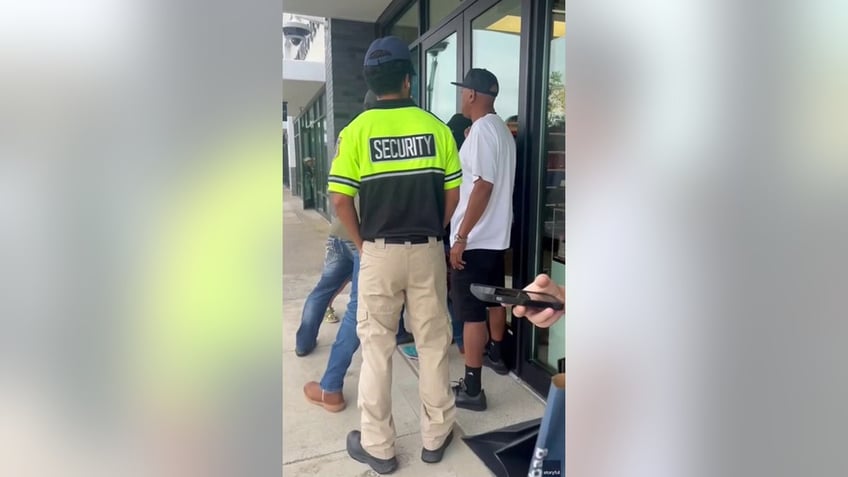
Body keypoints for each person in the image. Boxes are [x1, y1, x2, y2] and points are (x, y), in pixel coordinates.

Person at [328, 35, 462, 474]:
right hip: (427, 250)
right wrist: (434, 231)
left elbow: (341, 200)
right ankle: (435, 435)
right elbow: (454, 193)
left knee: (377, 349)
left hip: (379, 253)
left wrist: (364, 244)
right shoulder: (437, 128)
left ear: (371, 80)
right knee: (433, 344)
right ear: (409, 79)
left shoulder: (356, 131)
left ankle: (379, 447)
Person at [302, 90, 415, 413]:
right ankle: (330, 387)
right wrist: (364, 245)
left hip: (341, 230)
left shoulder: (349, 134)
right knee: (356, 309)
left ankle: (303, 342)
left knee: (324, 288)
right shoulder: (391, 136)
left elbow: (338, 192)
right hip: (365, 237)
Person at [448, 68, 517, 411]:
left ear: (472, 94)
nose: (461, 97)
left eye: (462, 92)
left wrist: (460, 236)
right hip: (495, 238)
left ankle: (472, 388)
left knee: (472, 314)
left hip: (475, 241)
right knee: (493, 303)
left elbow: (483, 185)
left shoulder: (481, 132)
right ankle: (498, 357)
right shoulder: (503, 131)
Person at [400, 112, 472, 360]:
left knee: (446, 296)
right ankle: (461, 340)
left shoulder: (451, 160)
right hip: (449, 235)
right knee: (451, 294)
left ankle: (460, 339)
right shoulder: (457, 159)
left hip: (447, 238)